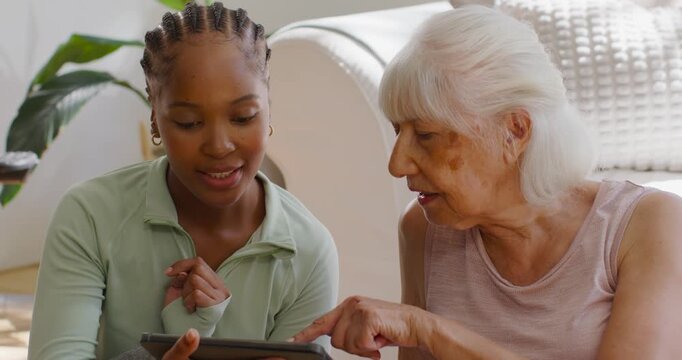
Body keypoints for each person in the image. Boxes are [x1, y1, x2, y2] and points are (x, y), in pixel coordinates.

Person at [292, 5, 682, 360]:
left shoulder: (648, 226)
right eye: (398, 131)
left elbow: (426, 334)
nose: (397, 164)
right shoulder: (423, 227)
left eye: (425, 135)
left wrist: (429, 330)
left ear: (514, 131)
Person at [27, 2, 338, 359]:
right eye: (189, 123)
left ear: (269, 105)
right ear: (156, 120)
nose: (219, 146)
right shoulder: (90, 217)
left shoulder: (309, 252)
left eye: (243, 117)